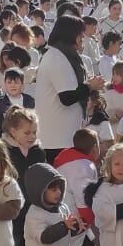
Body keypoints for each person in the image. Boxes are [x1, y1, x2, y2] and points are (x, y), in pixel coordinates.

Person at [34, 14, 102, 160]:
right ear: (71, 35)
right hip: (57, 139)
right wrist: (90, 86)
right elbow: (67, 97)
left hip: (64, 135)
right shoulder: (57, 57)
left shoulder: (63, 56)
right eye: (80, 34)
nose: (82, 38)